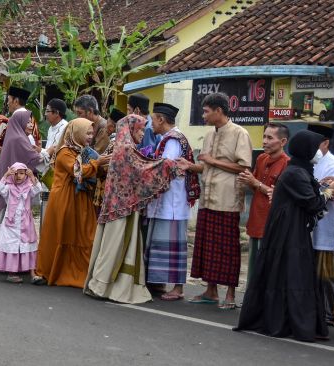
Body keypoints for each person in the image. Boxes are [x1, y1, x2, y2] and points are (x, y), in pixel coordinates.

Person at [235, 130, 334, 342]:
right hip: (288, 232)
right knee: (293, 273)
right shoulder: (295, 172)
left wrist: (321, 186)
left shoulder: (300, 169)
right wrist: (330, 191)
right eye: (315, 147)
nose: (319, 152)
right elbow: (312, 203)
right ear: (306, 149)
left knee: (290, 273)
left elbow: (307, 192)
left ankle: (290, 319)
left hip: (292, 229)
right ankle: (287, 321)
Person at [83, 114, 180, 302]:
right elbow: (142, 170)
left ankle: (106, 285)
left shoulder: (124, 147)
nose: (143, 133)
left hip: (119, 206)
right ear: (130, 129)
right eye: (140, 129)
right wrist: (169, 164)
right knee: (116, 244)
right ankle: (102, 285)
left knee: (117, 245)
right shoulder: (126, 149)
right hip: (120, 209)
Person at [177, 92, 253, 310]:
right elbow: (208, 166)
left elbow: (243, 167)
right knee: (207, 247)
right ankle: (210, 291)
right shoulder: (210, 135)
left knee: (227, 248)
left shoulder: (240, 133)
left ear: (219, 111)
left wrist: (211, 160)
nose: (204, 115)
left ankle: (229, 294)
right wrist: (191, 166)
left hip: (227, 200)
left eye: (207, 111)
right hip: (208, 198)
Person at [34, 118, 111, 287]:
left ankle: (81, 272)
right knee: (62, 232)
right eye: (87, 133)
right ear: (76, 133)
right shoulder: (65, 152)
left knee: (86, 234)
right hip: (65, 198)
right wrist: (98, 163)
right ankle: (48, 271)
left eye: (92, 133)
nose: (90, 136)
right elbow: (78, 171)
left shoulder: (84, 151)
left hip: (81, 198)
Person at [144, 103, 199, 300]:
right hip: (165, 202)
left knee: (173, 246)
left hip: (172, 203)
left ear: (161, 119)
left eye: (152, 119)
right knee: (162, 244)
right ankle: (160, 283)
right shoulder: (166, 139)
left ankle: (178, 288)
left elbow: (165, 168)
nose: (150, 124)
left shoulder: (173, 140)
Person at [0, 109, 42, 260]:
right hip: (13, 191)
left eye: (31, 121)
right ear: (20, 122)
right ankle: (6, 258)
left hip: (11, 188)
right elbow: (34, 159)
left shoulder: (16, 137)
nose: (31, 124)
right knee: (10, 225)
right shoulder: (19, 139)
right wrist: (48, 152)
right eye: (28, 121)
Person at [237, 123, 290, 284]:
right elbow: (255, 186)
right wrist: (247, 181)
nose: (265, 141)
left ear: (283, 142)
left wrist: (255, 182)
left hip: (271, 223)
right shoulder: (261, 158)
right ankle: (251, 304)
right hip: (256, 219)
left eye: (270, 138)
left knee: (267, 269)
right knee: (253, 267)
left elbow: (280, 196)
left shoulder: (287, 164)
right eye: (264, 137)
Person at [308, 124, 334, 329]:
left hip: (329, 225)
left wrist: (320, 187)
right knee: (315, 272)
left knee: (330, 273)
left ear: (325, 143)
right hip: (313, 224)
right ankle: (320, 310)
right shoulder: (310, 161)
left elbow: (331, 194)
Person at [0, 163, 42, 282]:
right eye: (16, 173)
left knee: (28, 245)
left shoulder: (29, 187)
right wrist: (6, 175)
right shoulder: (9, 188)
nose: (19, 176)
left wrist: (32, 177)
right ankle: (12, 272)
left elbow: (38, 189)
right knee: (12, 246)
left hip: (26, 222)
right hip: (11, 223)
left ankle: (32, 273)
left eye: (22, 173)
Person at [92, 107, 125, 208]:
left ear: (114, 126)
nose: (106, 127)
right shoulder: (115, 140)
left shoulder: (116, 143)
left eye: (108, 124)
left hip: (106, 190)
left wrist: (95, 163)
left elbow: (106, 165)